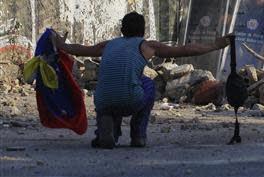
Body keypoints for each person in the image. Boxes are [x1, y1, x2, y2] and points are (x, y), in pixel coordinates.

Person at [53, 11, 231, 149]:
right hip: (130, 99)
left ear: (122, 30)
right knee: (147, 83)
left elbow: (79, 50)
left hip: (102, 102)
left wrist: (61, 44)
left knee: (109, 88)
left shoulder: (108, 45)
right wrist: (217, 44)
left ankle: (106, 130)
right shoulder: (147, 46)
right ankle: (137, 134)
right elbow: (185, 49)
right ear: (143, 31)